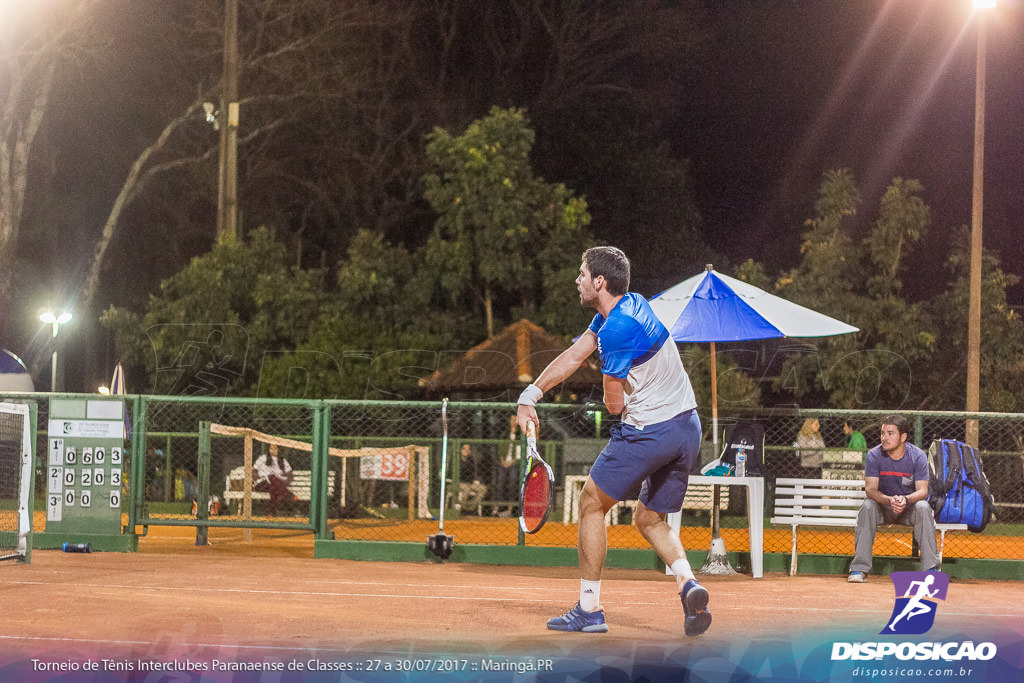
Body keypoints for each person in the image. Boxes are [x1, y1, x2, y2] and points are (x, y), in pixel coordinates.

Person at [516, 246, 708, 636]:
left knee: (590, 504)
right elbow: (574, 355)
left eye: (582, 274)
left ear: (600, 282)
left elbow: (615, 407)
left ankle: (589, 609)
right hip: (688, 427)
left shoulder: (616, 332)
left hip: (650, 430)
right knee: (649, 518)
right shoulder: (632, 305)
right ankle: (689, 583)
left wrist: (604, 396)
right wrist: (530, 395)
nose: (578, 280)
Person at [848, 414, 938, 582]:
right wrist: (890, 500)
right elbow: (871, 490)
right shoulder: (874, 455)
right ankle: (858, 570)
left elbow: (922, 491)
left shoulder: (917, 456)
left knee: (924, 508)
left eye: (890, 433)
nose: (885, 438)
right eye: (883, 433)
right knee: (867, 506)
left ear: (903, 437)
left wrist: (905, 499)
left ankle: (931, 569)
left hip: (908, 509)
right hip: (883, 508)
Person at [253, 444, 295, 516]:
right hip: (262, 484)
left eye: (275, 448)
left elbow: (290, 475)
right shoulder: (263, 458)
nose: (273, 450)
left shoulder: (282, 460)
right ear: (268, 449)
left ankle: (271, 513)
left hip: (275, 486)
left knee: (273, 487)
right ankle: (289, 494)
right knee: (272, 476)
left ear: (279, 450)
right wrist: (258, 478)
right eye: (271, 448)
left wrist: (284, 482)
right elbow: (254, 471)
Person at [492, 416, 521, 517]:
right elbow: (500, 449)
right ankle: (496, 507)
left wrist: (513, 461)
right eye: (512, 420)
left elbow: (520, 452)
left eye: (516, 420)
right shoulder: (504, 434)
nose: (514, 422)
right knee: (500, 484)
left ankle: (510, 509)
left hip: (514, 464)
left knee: (512, 484)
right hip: (503, 463)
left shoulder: (520, 435)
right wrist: (503, 461)